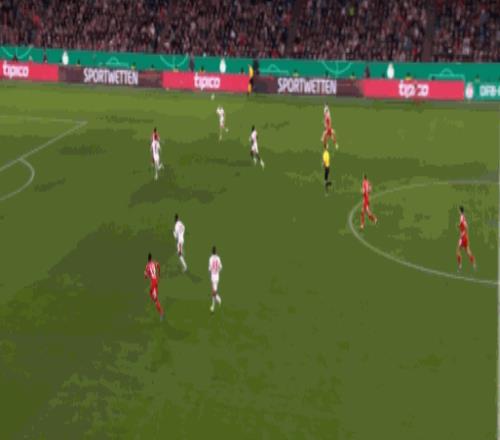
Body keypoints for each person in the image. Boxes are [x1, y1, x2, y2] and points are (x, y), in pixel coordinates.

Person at [144, 253, 165, 321]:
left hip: (153, 282)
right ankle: (155, 295)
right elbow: (158, 265)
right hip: (155, 281)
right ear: (151, 258)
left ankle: (161, 312)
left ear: (147, 259)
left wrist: (145, 275)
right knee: (150, 292)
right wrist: (159, 273)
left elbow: (145, 277)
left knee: (156, 300)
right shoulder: (154, 263)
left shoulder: (147, 266)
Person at [456, 206, 476, 271]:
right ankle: (474, 265)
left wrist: (460, 227)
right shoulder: (464, 217)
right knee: (468, 251)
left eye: (458, 210)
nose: (458, 211)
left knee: (458, 251)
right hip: (466, 236)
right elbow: (466, 226)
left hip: (462, 237)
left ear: (460, 210)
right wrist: (461, 227)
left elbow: (463, 224)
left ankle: (460, 266)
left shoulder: (461, 217)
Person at [208, 246, 223, 313]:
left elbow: (209, 268)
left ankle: (217, 300)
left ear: (212, 252)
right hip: (217, 276)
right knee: (214, 290)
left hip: (213, 276)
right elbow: (221, 267)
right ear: (216, 251)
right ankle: (213, 305)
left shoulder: (210, 258)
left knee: (213, 292)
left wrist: (212, 270)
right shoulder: (218, 258)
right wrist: (217, 271)